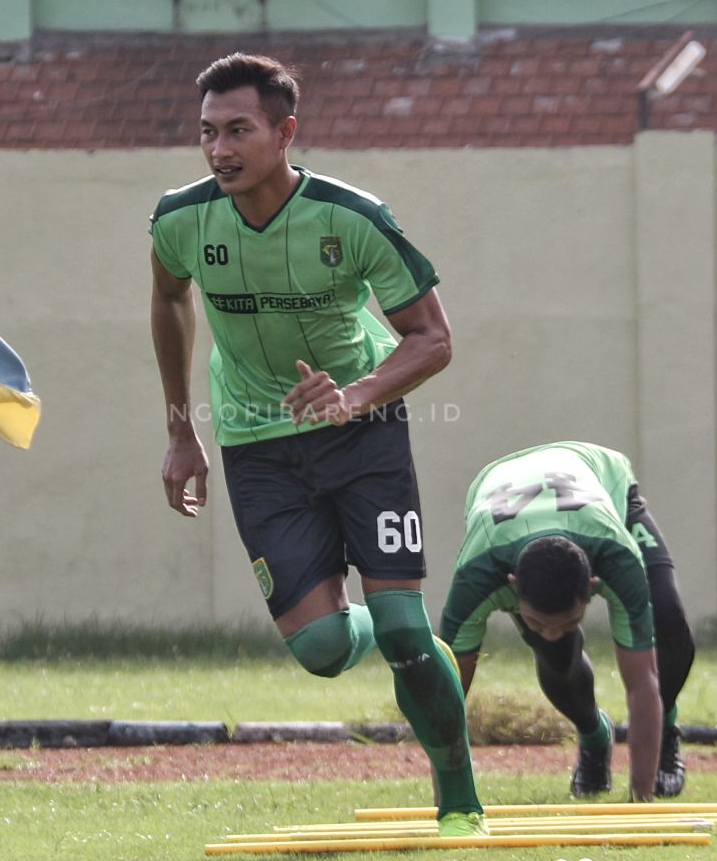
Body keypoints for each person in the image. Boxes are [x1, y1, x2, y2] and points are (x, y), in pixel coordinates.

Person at [148, 52, 486, 837]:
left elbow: (431, 339)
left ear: (285, 132)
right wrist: (179, 430)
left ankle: (457, 791)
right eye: (207, 133)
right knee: (325, 648)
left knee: (406, 632)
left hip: (362, 435)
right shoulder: (180, 220)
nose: (219, 150)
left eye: (238, 130)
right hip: (257, 448)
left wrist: (356, 394)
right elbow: (167, 299)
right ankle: (376, 622)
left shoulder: (352, 217)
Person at [439, 440, 696, 802]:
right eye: (538, 620)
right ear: (512, 588)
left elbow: (642, 682)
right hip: (503, 497)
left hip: (600, 482)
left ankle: (665, 730)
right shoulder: (479, 574)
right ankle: (594, 737)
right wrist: (450, 803)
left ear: (594, 585)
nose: (554, 629)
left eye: (570, 619)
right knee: (557, 655)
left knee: (667, 618)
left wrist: (641, 802)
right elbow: (447, 699)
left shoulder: (615, 557)